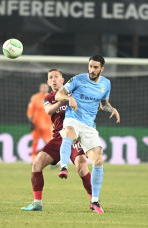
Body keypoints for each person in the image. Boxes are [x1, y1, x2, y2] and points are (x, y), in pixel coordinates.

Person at [56, 55, 120, 213]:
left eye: (95, 67)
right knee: (68, 133)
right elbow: (59, 95)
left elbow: (104, 104)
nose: (92, 70)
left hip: (89, 126)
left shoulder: (106, 84)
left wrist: (112, 109)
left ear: (102, 69)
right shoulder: (77, 79)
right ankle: (63, 167)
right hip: (73, 118)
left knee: (98, 160)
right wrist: (68, 98)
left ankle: (95, 202)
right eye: (90, 66)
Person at [21, 69, 92, 211]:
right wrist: (61, 100)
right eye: (50, 78)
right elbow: (48, 111)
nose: (53, 80)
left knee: (82, 169)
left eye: (56, 77)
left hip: (74, 138)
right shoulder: (48, 98)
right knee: (36, 164)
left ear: (62, 80)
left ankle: (94, 201)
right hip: (58, 139)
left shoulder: (75, 94)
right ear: (48, 82)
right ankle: (37, 203)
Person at [26, 83, 53, 161]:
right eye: (42, 87)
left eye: (45, 87)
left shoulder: (51, 97)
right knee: (35, 141)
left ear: (48, 88)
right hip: (36, 124)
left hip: (47, 125)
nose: (44, 88)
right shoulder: (34, 97)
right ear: (40, 88)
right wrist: (30, 121)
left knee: (49, 143)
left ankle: (50, 159)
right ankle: (33, 158)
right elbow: (30, 109)